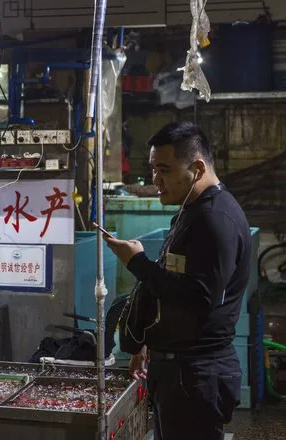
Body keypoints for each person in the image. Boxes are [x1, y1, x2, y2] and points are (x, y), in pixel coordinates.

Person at [103, 122, 251, 440]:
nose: (156, 180)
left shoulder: (215, 219)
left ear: (197, 167)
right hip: (180, 370)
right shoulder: (192, 210)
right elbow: (175, 283)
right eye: (154, 169)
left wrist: (137, 263)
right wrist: (146, 342)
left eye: (164, 170)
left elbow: (199, 297)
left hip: (196, 374)